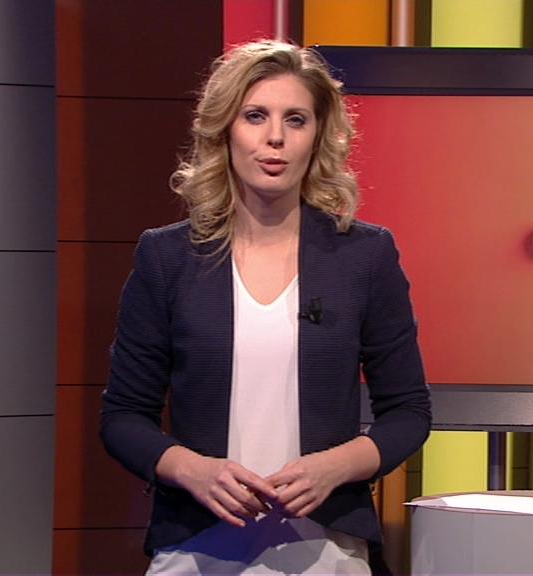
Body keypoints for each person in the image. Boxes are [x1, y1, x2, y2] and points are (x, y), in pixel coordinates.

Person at [100, 39, 432, 575]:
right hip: (195, 549)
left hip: (325, 550)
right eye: (255, 116)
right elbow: (123, 418)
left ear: (317, 136)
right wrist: (191, 470)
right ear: (225, 130)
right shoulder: (167, 257)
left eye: (295, 119)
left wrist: (335, 466)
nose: (275, 137)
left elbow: (409, 413)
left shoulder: (364, 256)